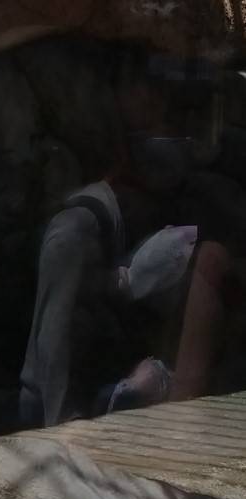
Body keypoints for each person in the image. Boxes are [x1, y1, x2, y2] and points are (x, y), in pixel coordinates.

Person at [18, 49, 231, 428]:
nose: (173, 122)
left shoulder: (195, 209)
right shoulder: (79, 229)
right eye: (158, 101)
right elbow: (60, 409)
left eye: (186, 113)